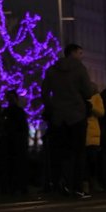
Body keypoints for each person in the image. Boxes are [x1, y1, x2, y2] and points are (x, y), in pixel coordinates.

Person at [40, 43, 95, 199]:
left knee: (60, 153)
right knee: (78, 153)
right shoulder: (80, 69)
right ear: (73, 53)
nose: (81, 56)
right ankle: (77, 188)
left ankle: (60, 184)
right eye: (80, 52)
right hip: (77, 115)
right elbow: (88, 92)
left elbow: (44, 92)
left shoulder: (52, 69)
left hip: (58, 118)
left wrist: (52, 107)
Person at [0, 90, 31, 197]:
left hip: (15, 142)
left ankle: (17, 187)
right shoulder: (14, 111)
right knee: (16, 165)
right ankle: (19, 187)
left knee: (16, 165)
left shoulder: (11, 112)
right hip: (14, 142)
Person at [82, 87, 105, 194]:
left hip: (93, 134)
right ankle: (85, 183)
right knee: (84, 161)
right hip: (82, 133)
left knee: (92, 160)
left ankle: (92, 181)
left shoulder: (96, 97)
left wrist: (91, 107)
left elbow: (101, 112)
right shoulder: (78, 97)